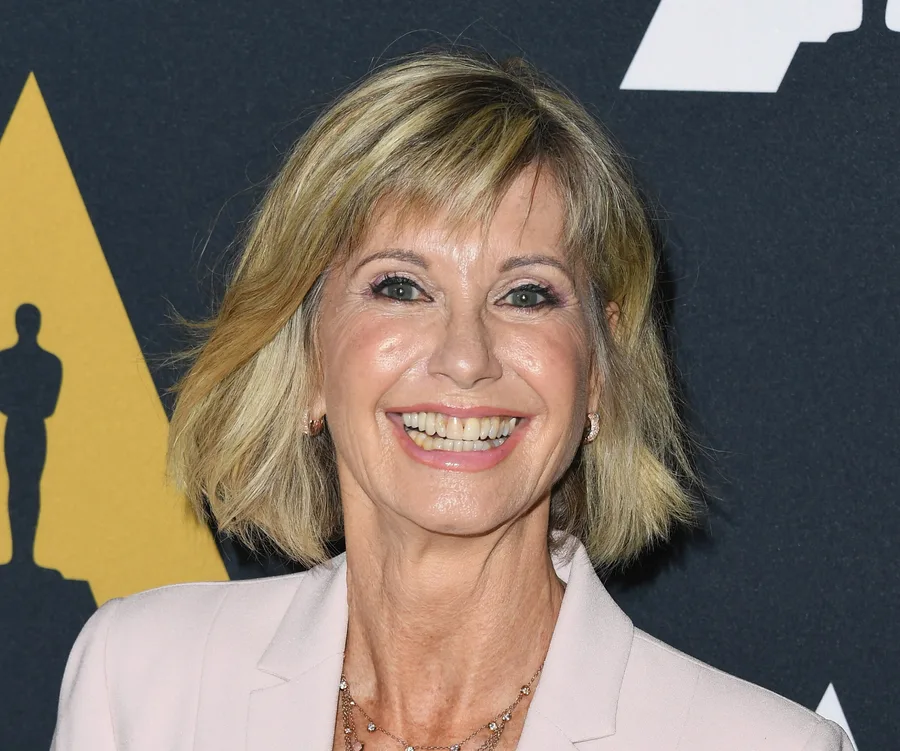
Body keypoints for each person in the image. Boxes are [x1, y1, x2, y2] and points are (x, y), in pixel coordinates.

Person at [50, 51, 852, 750]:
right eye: (401, 287)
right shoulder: (141, 683)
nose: (466, 357)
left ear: (600, 371)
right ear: (305, 358)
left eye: (528, 294)